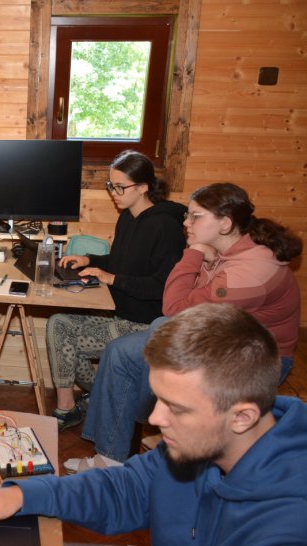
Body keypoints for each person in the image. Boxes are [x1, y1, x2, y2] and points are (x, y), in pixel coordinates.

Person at [0, 303, 307, 544]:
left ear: (242, 416)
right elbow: (125, 489)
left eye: (176, 408)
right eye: (157, 397)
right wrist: (22, 495)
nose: (155, 419)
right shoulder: (198, 446)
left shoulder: (287, 524)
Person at [78, 182, 302, 468]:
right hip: (222, 338)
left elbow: (173, 309)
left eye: (195, 216)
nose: (186, 223)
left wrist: (195, 253)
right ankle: (109, 459)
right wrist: (206, 257)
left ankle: (153, 420)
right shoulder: (228, 249)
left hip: (257, 360)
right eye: (188, 215)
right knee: (119, 353)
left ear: (225, 224)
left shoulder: (251, 271)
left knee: (161, 327)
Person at [47, 150, 185, 430]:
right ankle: (79, 403)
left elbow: (162, 287)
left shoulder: (165, 227)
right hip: (120, 315)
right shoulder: (128, 218)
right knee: (59, 324)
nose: (114, 193)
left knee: (62, 329)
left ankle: (86, 403)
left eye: (120, 187)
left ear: (144, 187)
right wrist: (90, 260)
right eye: (111, 186)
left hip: (145, 325)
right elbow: (123, 263)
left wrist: (111, 278)